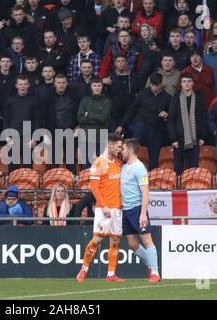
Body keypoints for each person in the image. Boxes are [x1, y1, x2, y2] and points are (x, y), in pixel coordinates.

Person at [76, 133, 124, 283]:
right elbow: (94, 188)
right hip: (104, 209)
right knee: (97, 240)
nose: (120, 149)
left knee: (115, 241)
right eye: (118, 147)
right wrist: (104, 206)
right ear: (110, 145)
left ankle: (111, 274)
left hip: (117, 208)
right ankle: (83, 270)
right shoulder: (97, 163)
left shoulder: (119, 163)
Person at [120, 138, 160, 282]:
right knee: (132, 243)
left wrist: (143, 213)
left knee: (147, 239)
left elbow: (145, 192)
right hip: (126, 210)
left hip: (137, 209)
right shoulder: (123, 167)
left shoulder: (139, 167)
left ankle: (155, 272)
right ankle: (150, 265)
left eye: (123, 149)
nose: (121, 152)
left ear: (130, 150)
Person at [116, 73, 171, 170]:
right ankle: (130, 170)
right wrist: (121, 125)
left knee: (154, 156)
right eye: (152, 85)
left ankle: (151, 177)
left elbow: (171, 114)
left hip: (156, 129)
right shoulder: (143, 93)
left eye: (157, 85)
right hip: (141, 125)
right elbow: (132, 110)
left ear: (161, 84)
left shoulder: (167, 97)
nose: (154, 87)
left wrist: (166, 114)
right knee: (133, 149)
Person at [168, 73, 206, 175]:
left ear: (193, 83)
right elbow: (171, 119)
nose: (186, 84)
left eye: (189, 81)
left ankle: (192, 187)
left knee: (193, 167)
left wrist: (202, 137)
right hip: (179, 139)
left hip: (194, 139)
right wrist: (173, 139)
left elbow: (203, 119)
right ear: (181, 84)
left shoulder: (198, 99)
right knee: (178, 167)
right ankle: (178, 188)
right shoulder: (175, 99)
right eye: (184, 82)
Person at [3, 74, 40, 172]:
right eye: (20, 84)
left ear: (28, 85)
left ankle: (28, 187)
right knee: (13, 168)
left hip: (28, 139)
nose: (22, 86)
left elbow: (37, 120)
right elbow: (6, 120)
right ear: (16, 85)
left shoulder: (34, 100)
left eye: (25, 84)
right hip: (13, 138)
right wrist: (7, 137)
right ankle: (12, 187)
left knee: (28, 168)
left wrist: (35, 138)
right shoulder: (10, 101)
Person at [77, 78, 112, 168]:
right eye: (95, 86)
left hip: (101, 136)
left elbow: (104, 118)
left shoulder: (107, 101)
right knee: (87, 165)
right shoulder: (85, 100)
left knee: (100, 164)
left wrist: (88, 115)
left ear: (102, 86)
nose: (97, 88)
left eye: (99, 85)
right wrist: (97, 118)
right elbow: (80, 118)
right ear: (91, 87)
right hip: (87, 136)